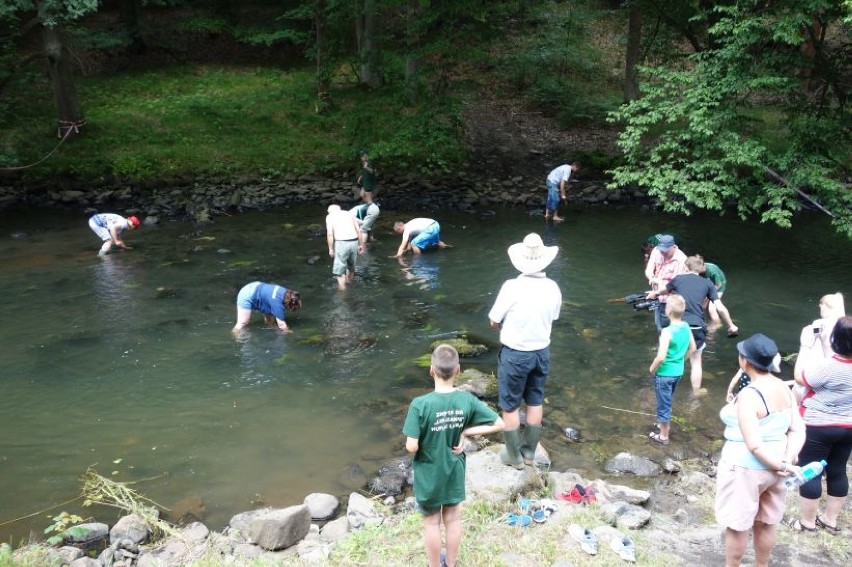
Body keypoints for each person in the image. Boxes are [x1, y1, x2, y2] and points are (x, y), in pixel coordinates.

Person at [402, 344, 505, 567]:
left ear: (431, 371)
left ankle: (434, 565)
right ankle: (450, 562)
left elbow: (411, 447)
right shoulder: (466, 400)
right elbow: (500, 423)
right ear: (458, 370)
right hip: (454, 470)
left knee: (431, 523)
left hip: (429, 473)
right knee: (453, 518)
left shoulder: (419, 405)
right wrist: (466, 431)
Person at [715, 333, 806, 567]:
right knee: (766, 522)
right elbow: (797, 430)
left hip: (744, 469)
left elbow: (754, 445)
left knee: (738, 526)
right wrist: (786, 461)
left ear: (744, 361)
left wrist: (783, 465)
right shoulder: (784, 388)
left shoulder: (749, 395)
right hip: (776, 468)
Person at [488, 233, 562, 469]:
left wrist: (504, 324)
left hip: (516, 353)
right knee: (535, 399)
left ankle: (513, 456)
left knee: (509, 405)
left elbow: (493, 319)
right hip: (542, 352)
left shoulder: (512, 286)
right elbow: (554, 317)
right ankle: (529, 452)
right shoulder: (553, 287)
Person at [789, 316, 852, 534]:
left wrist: (805, 346)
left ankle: (807, 523)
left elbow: (799, 377)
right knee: (837, 470)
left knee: (811, 470)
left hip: (818, 425)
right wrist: (826, 344)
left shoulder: (827, 367)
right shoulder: (834, 364)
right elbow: (838, 365)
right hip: (848, 427)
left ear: (837, 339)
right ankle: (830, 521)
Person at [648, 255, 739, 393]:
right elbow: (720, 307)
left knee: (667, 354)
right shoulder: (708, 283)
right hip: (697, 326)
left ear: (686, 267)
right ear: (701, 269)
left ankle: (658, 381)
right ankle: (696, 391)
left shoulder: (678, 279)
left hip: (678, 325)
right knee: (696, 361)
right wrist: (731, 325)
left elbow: (663, 291)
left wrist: (653, 293)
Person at [647, 294, 696, 445]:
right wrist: (681, 360)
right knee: (666, 399)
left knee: (663, 404)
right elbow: (693, 348)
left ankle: (663, 436)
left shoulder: (667, 332)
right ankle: (662, 424)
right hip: (678, 372)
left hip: (664, 373)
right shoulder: (686, 326)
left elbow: (661, 357)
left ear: (667, 311)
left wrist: (652, 368)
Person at [793, 292, 845, 384]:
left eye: (820, 306)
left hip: (822, 363)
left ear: (825, 306)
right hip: (841, 360)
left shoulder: (821, 324)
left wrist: (808, 330)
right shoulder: (844, 324)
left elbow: (810, 334)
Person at [643, 234, 687, 331]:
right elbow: (649, 269)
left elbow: (676, 286)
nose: (662, 253)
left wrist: (659, 284)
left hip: (670, 300)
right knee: (658, 325)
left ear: (674, 247)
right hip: (656, 296)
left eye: (666, 251)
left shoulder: (681, 260)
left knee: (668, 327)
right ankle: (662, 343)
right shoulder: (656, 251)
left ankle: (668, 344)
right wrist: (651, 277)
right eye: (661, 250)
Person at [232, 281, 302, 334]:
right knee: (242, 323)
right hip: (247, 294)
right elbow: (282, 325)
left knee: (271, 321)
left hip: (256, 286)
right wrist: (290, 332)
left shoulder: (286, 292)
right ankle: (235, 336)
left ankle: (269, 327)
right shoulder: (277, 304)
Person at [326, 204, 363, 290]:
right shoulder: (349, 214)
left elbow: (330, 234)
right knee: (351, 267)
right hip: (354, 241)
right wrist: (360, 244)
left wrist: (331, 249)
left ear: (330, 211)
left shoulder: (330, 216)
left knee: (340, 271)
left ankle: (343, 292)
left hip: (341, 243)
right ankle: (350, 283)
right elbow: (359, 230)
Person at [702, 258, 728, 323]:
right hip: (708, 285)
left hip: (719, 287)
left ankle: (716, 323)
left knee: (711, 308)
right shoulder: (698, 271)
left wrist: (708, 296)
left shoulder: (711, 270)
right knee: (702, 304)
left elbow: (719, 285)